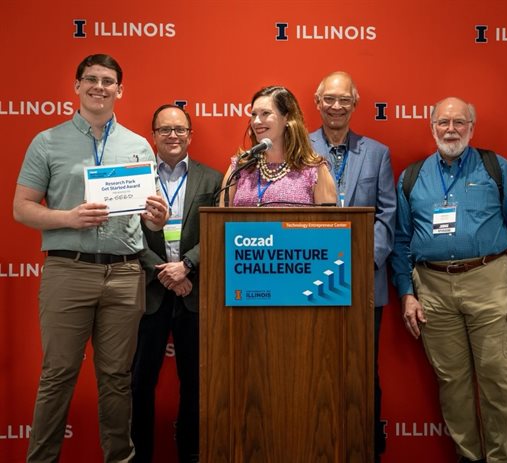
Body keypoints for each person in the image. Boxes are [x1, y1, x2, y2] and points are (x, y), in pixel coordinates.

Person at [12, 54, 169, 463]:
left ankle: (119, 458)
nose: (100, 87)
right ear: (77, 85)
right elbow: (22, 207)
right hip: (69, 269)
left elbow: (150, 213)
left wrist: (159, 215)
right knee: (58, 374)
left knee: (117, 379)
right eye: (92, 79)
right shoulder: (47, 141)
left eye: (108, 81)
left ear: (120, 90)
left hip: (124, 274)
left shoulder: (138, 145)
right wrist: (68, 217)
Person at [391, 96, 507, 463]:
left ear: (472, 128)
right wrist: (407, 294)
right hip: (434, 290)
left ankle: (502, 459)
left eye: (459, 122)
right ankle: (470, 458)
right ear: (432, 127)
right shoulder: (411, 177)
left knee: (497, 382)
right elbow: (401, 241)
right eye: (443, 122)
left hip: (489, 281)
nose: (451, 129)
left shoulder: (495, 167)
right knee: (452, 385)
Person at [310, 71, 396, 463]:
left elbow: (387, 215)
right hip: (311, 280)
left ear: (355, 104)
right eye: (329, 99)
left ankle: (364, 449)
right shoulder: (299, 148)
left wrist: (361, 265)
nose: (336, 106)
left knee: (363, 371)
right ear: (317, 102)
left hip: (364, 283)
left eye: (344, 99)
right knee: (312, 367)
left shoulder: (377, 153)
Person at [131, 104, 222, 463]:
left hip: (194, 292)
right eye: (165, 129)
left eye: (180, 129)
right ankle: (138, 457)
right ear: (153, 135)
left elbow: (218, 230)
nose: (173, 135)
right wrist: (164, 273)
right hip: (150, 292)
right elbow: (128, 234)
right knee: (139, 385)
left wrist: (186, 267)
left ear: (190, 135)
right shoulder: (134, 177)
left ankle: (192, 455)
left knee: (196, 387)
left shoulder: (212, 179)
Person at [219, 85, 336, 207]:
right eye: (254, 114)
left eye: (265, 113)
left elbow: (329, 224)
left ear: (287, 118)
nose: (257, 121)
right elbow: (220, 221)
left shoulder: (315, 170)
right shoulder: (239, 167)